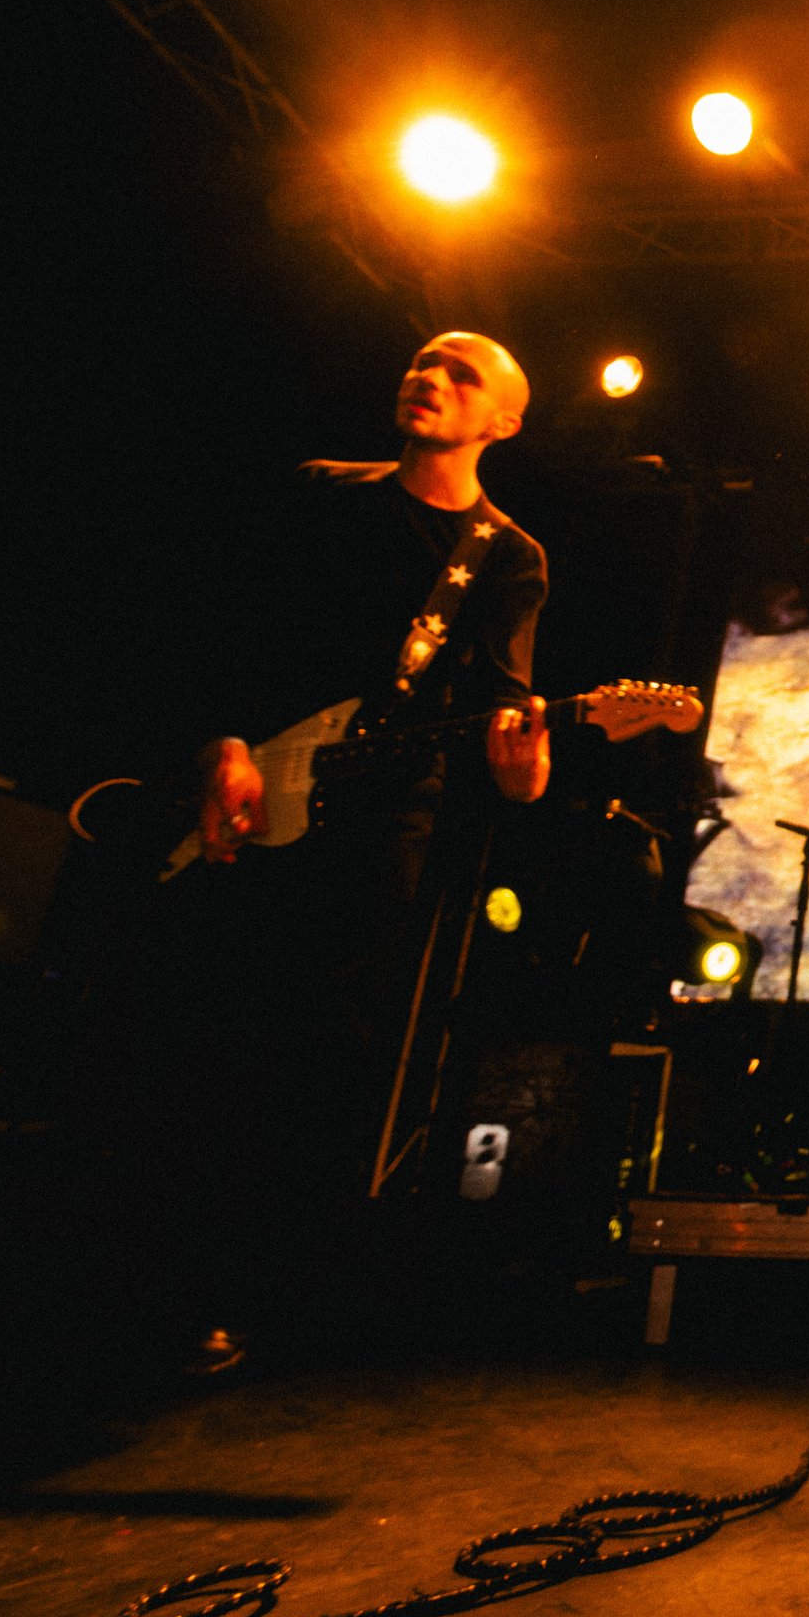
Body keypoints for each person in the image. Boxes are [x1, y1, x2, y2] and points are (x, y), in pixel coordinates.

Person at [157, 330, 552, 1370]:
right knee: (205, 1034)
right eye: (426, 361)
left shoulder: (506, 556)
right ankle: (159, 1279)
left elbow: (504, 708)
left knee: (323, 1053)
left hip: (380, 823)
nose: (431, 378)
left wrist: (525, 768)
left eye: (463, 375)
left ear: (503, 421)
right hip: (248, 791)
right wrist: (226, 747)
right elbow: (231, 628)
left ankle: (258, 1296)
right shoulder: (321, 491)